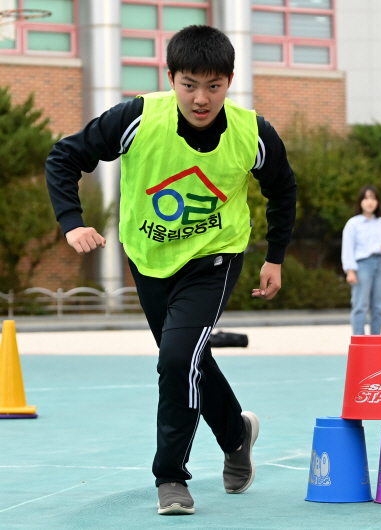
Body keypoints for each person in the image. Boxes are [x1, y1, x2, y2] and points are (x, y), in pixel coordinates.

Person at [45, 26, 296, 515]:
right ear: (171, 78)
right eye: (189, 85)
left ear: (229, 81)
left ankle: (170, 478)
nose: (201, 98)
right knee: (187, 356)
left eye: (214, 86)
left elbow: (282, 190)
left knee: (178, 358)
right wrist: (71, 221)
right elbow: (64, 156)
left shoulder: (252, 132)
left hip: (215, 258)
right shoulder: (138, 117)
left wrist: (275, 256)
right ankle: (236, 432)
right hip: (150, 259)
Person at [341, 185, 381, 335]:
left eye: (373, 198)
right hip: (362, 265)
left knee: (379, 306)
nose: (370, 202)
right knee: (360, 305)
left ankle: (376, 341)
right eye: (366, 198)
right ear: (360, 202)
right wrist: (350, 271)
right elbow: (348, 248)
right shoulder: (353, 223)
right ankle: (359, 341)